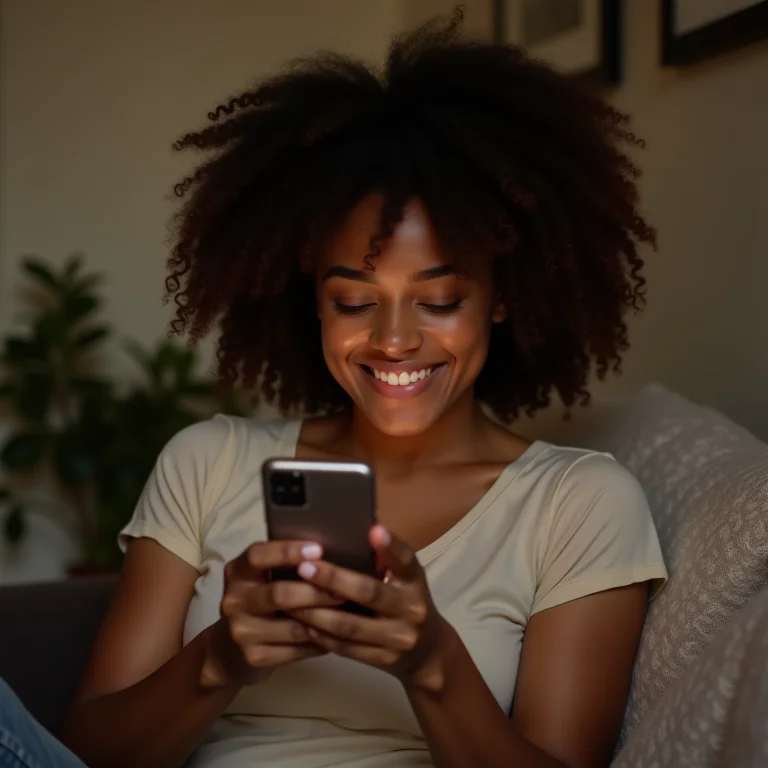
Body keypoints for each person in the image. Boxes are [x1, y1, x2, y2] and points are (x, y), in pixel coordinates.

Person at [1, 10, 667, 768]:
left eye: (440, 299)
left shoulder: (576, 503)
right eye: (354, 301)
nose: (391, 339)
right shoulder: (209, 460)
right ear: (312, 301)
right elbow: (85, 753)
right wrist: (220, 659)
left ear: (502, 297)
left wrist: (433, 664)